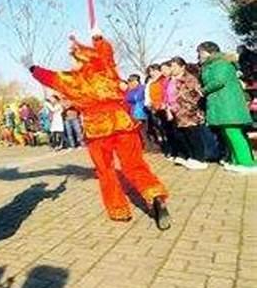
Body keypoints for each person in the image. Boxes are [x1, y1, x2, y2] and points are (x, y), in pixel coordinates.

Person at [28, 29, 171, 229]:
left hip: (97, 128)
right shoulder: (106, 69)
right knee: (134, 164)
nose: (71, 63)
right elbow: (107, 53)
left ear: (80, 60)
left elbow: (51, 78)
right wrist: (98, 39)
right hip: (122, 123)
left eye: (73, 59)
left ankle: (119, 210)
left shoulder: (74, 79)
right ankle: (154, 193)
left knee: (106, 170)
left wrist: (33, 68)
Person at [198, 42, 256, 173]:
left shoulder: (220, 64)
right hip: (222, 104)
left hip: (228, 104)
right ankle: (237, 160)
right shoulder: (214, 64)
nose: (199, 55)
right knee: (228, 133)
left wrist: (203, 90)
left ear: (208, 52)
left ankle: (247, 163)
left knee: (233, 133)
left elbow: (219, 81)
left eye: (200, 52)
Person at [168, 57, 208, 170]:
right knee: (184, 135)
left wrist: (185, 104)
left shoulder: (189, 78)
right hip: (178, 112)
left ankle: (200, 159)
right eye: (171, 66)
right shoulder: (172, 80)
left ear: (182, 67)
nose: (172, 69)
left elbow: (195, 94)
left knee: (193, 135)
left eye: (175, 66)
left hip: (189, 112)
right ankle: (192, 157)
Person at [144, 64, 168, 154]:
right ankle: (165, 148)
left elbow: (164, 93)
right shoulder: (150, 82)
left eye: (154, 71)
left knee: (166, 129)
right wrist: (149, 104)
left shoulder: (162, 80)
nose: (152, 73)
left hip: (162, 106)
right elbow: (148, 95)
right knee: (159, 129)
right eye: (150, 71)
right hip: (153, 107)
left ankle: (171, 149)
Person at [125, 74, 149, 149]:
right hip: (133, 111)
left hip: (142, 111)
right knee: (138, 130)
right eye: (130, 81)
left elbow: (142, 98)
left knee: (145, 129)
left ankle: (148, 144)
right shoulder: (130, 91)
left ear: (137, 81)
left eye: (134, 81)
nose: (132, 83)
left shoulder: (143, 88)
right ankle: (141, 145)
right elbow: (128, 99)